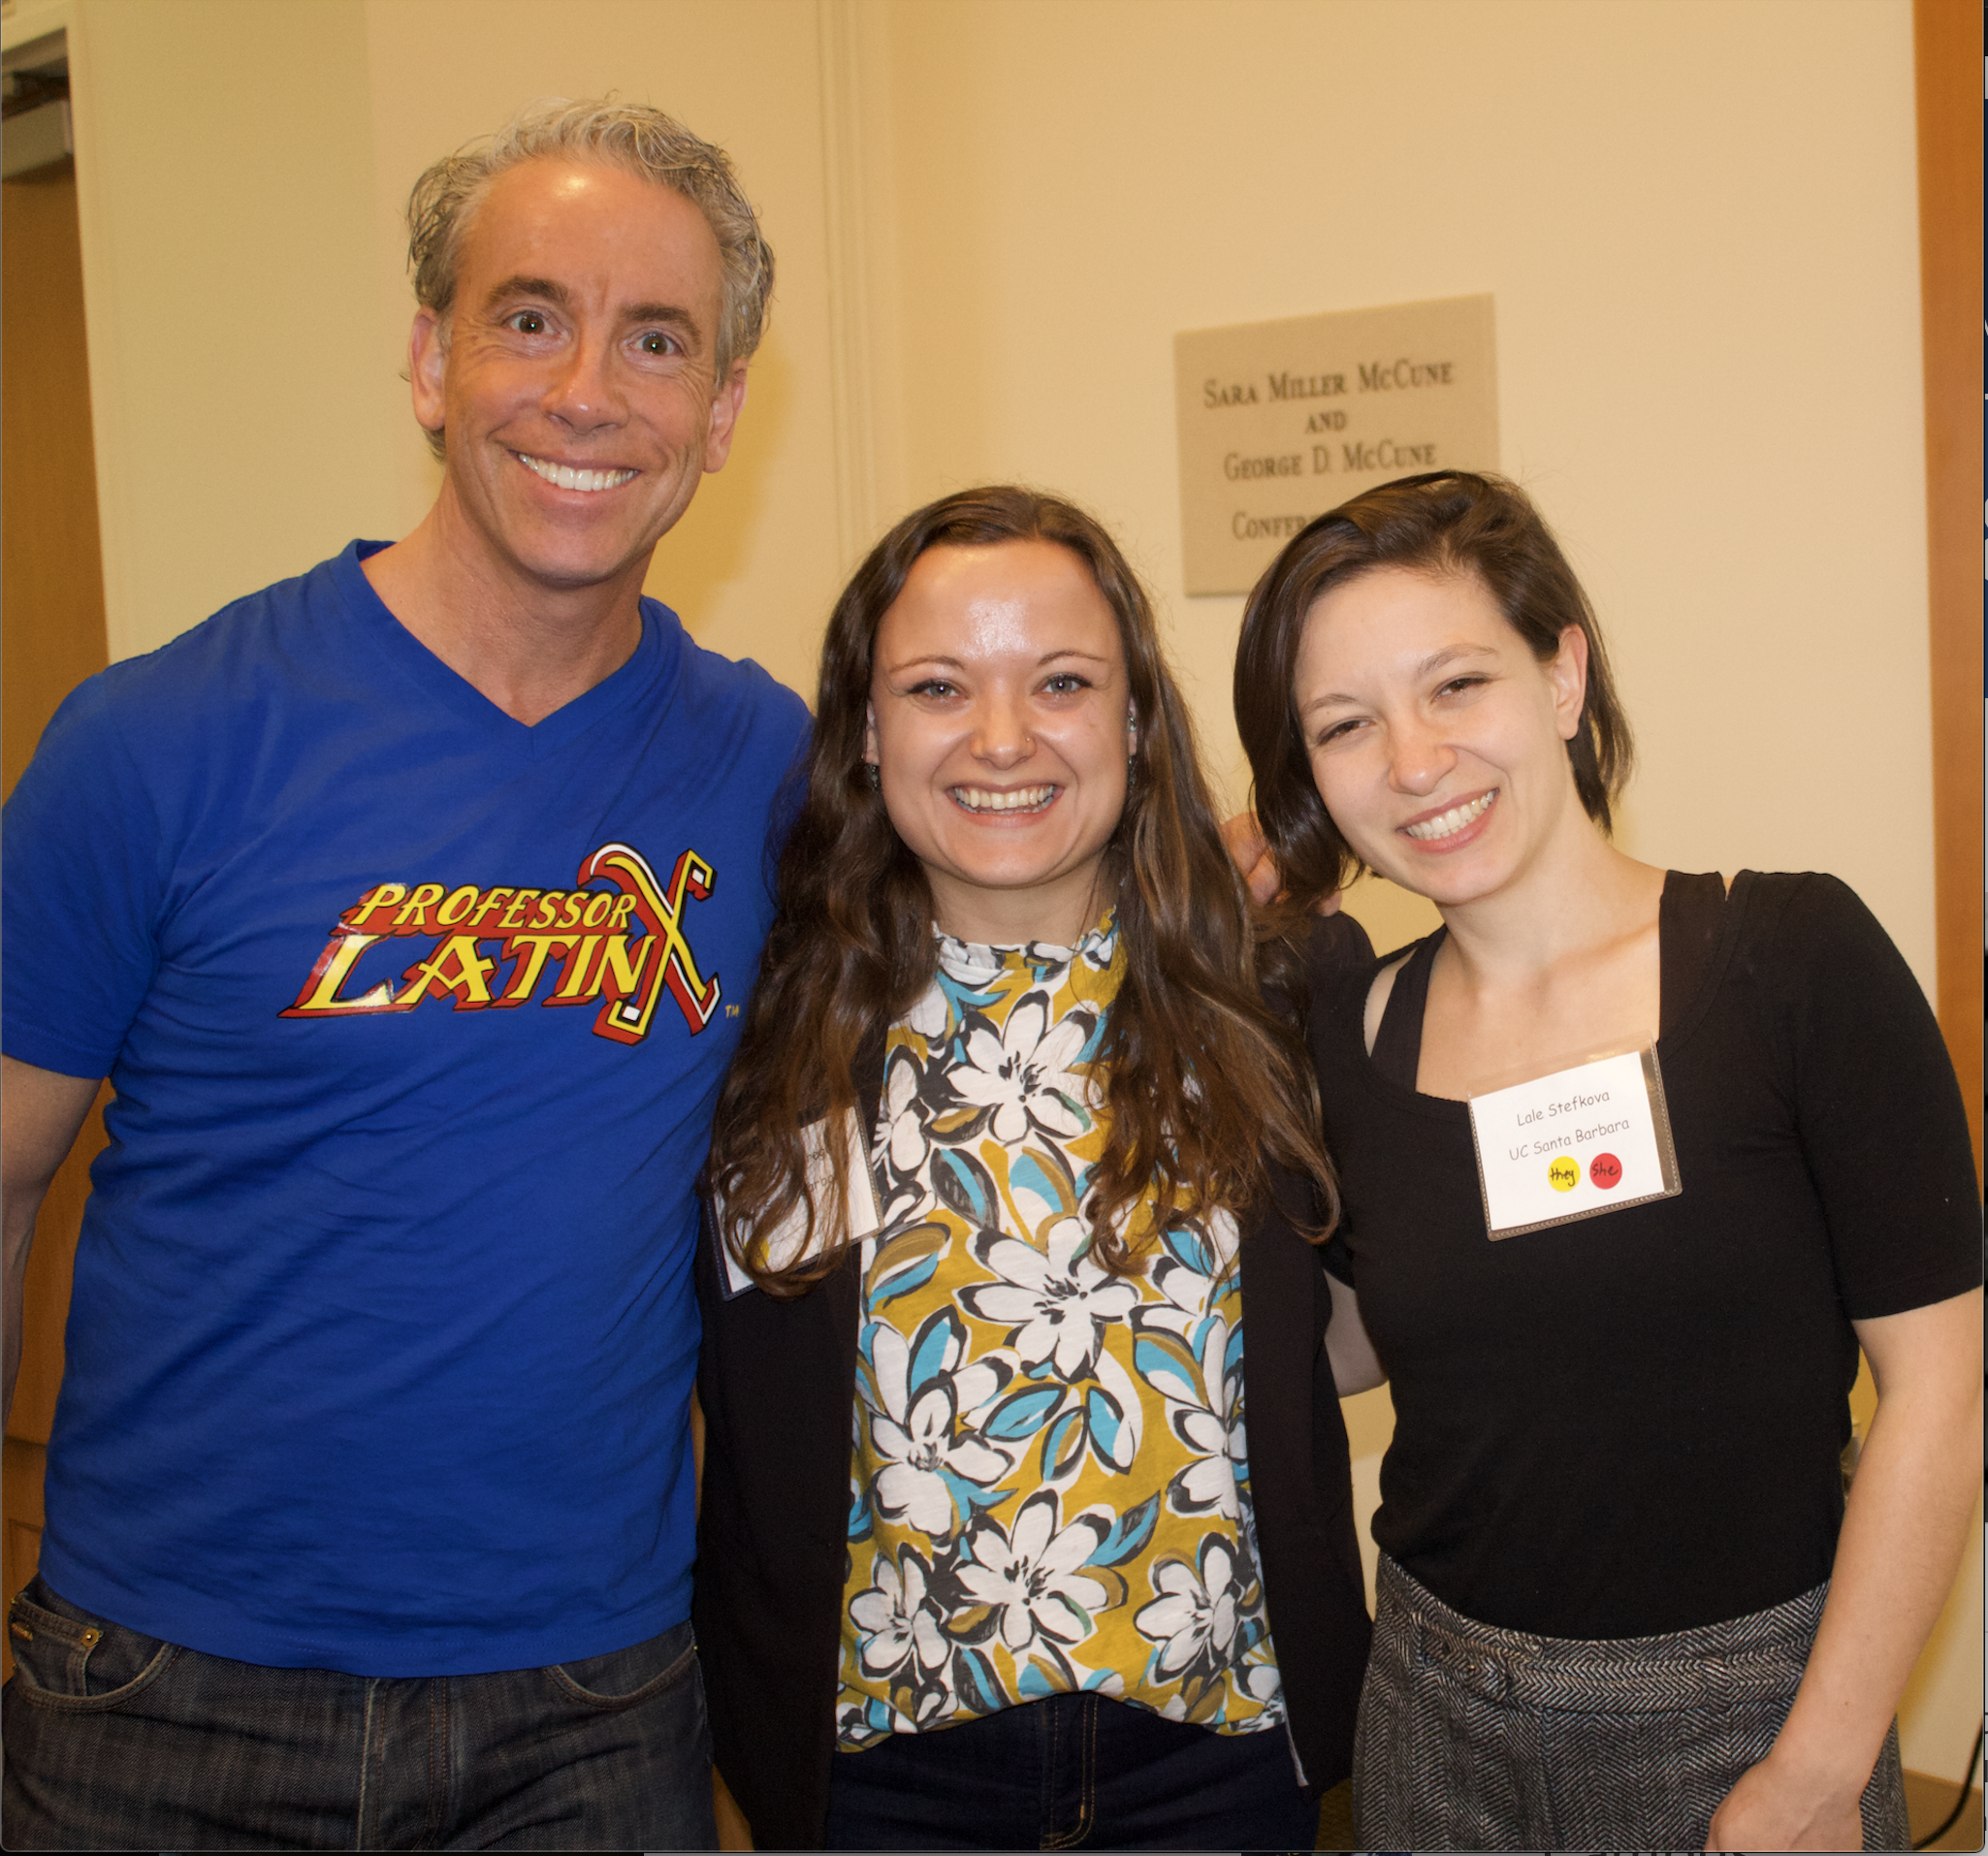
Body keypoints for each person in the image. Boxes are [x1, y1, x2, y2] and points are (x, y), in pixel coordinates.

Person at [1, 99, 807, 1851]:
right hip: (159, 1691)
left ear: (723, 410)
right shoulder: (155, 742)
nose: (585, 388)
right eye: (529, 316)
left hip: (592, 1709)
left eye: (655, 339)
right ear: (433, 359)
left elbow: (1024, 892)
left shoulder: (765, 771)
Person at [1233, 468, 1984, 1854]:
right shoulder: (1347, 1024)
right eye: (1344, 725)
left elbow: (1939, 1390)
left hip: (1746, 1715)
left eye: (1456, 685)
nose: (1410, 762)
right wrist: (1211, 939)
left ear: (1562, 672)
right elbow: (1343, 1349)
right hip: (1428, 1709)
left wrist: (1819, 1767)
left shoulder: (1787, 964)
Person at [692, 485, 1375, 1850]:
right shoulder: (747, 1005)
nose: (1002, 737)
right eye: (938, 686)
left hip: (1217, 1757)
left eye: (1061, 681)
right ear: (867, 728)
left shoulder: (1280, 986)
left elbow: (1370, 1319)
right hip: (875, 1773)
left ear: (1132, 718)